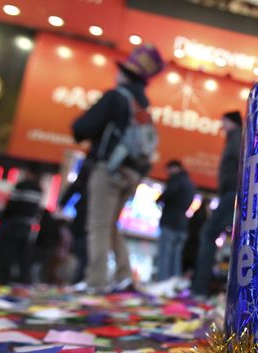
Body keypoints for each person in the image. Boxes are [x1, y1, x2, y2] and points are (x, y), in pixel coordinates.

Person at [72, 44, 164, 293]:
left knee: (98, 226)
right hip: (132, 174)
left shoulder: (116, 97)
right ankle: (124, 275)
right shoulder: (143, 107)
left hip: (108, 169)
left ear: (125, 74)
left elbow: (82, 128)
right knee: (111, 225)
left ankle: (96, 280)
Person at [191, 110, 242, 297]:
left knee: (208, 233)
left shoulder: (237, 137)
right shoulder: (236, 137)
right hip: (233, 193)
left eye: (224, 122)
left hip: (232, 193)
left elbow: (240, 161)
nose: (222, 126)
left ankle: (200, 288)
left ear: (231, 122)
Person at [0, 170, 43, 285]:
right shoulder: (39, 189)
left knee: (7, 254)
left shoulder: (20, 186)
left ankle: (2, 279)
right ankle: (23, 281)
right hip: (28, 227)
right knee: (24, 257)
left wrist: (2, 218)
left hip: (14, 224)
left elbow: (11, 205)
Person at [155, 160, 195, 281]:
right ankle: (173, 283)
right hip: (183, 225)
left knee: (165, 255)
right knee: (176, 257)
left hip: (170, 223)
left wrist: (159, 199)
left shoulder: (176, 180)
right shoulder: (190, 184)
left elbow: (169, 193)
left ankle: (163, 283)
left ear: (174, 168)